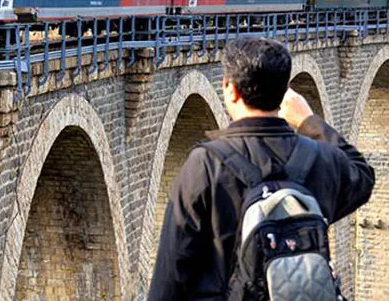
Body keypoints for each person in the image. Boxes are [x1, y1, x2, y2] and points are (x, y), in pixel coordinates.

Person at [148, 37, 375, 300]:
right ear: (285, 92)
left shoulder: (205, 165)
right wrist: (308, 121)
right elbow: (362, 174)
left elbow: (169, 277)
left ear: (230, 90)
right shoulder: (321, 160)